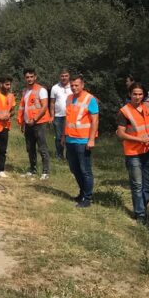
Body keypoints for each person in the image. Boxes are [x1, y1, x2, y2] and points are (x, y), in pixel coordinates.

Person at [116, 82, 149, 224]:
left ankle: (142, 209)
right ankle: (140, 214)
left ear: (144, 95)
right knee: (137, 185)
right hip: (133, 152)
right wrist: (139, 139)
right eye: (134, 94)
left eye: (140, 94)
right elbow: (120, 134)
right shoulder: (124, 111)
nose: (137, 97)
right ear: (130, 94)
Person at [63, 74, 99, 208]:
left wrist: (91, 139)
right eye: (72, 85)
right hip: (70, 139)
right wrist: (63, 136)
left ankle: (88, 198)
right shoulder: (69, 98)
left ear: (82, 85)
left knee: (85, 170)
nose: (74, 87)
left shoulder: (90, 99)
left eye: (76, 85)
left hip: (83, 140)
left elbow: (95, 120)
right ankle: (82, 192)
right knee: (74, 168)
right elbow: (67, 119)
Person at [17, 68, 51, 179]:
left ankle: (45, 172)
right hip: (28, 124)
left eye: (31, 77)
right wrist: (22, 123)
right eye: (27, 77)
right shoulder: (25, 91)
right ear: (24, 78)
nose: (29, 79)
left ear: (35, 77)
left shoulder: (41, 90)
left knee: (42, 147)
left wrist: (35, 119)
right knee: (30, 148)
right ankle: (32, 170)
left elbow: (45, 106)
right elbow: (23, 108)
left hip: (39, 123)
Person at [49, 68, 71, 160]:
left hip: (70, 116)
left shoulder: (73, 87)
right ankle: (59, 155)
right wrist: (52, 115)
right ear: (59, 76)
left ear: (69, 76)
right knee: (58, 137)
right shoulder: (55, 88)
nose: (64, 78)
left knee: (69, 137)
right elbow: (52, 103)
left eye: (66, 76)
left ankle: (69, 156)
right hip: (58, 116)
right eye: (62, 76)